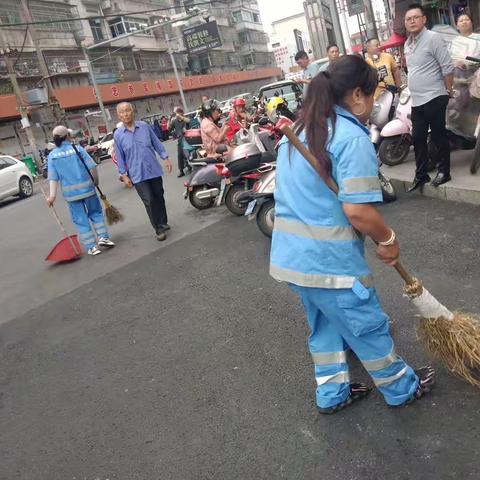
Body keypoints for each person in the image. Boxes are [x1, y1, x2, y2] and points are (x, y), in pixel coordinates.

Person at [270, 55, 435, 414]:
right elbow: (358, 210)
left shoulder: (301, 130)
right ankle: (401, 387)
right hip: (330, 262)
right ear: (358, 94)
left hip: (292, 258)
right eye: (374, 95)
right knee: (366, 326)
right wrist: (388, 240)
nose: (374, 103)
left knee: (327, 327)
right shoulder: (348, 136)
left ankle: (331, 393)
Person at [404, 3, 455, 190]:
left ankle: (444, 171)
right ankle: (421, 175)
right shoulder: (407, 44)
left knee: (438, 136)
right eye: (408, 19)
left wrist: (448, 90)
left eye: (415, 17)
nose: (412, 21)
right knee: (417, 137)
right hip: (417, 100)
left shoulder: (433, 38)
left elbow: (447, 66)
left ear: (424, 19)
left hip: (435, 95)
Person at [47, 126, 114, 256]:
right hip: (88, 190)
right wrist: (96, 181)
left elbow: (53, 178)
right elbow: (92, 167)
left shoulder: (52, 156)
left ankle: (91, 246)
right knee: (95, 213)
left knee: (80, 220)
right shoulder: (77, 149)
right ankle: (103, 237)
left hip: (71, 195)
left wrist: (52, 197)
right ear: (67, 136)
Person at [114, 102, 173, 242]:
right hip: (137, 174)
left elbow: (156, 143)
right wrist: (123, 174)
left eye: (128, 110)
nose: (126, 114)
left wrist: (165, 157)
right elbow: (119, 156)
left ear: (132, 111)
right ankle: (158, 228)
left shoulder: (144, 127)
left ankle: (163, 221)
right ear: (118, 115)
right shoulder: (118, 135)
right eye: (122, 112)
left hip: (153, 169)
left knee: (159, 195)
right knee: (149, 200)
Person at [447, 13, 480, 139]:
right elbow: (450, 59)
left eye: (467, 19)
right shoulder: (454, 42)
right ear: (457, 25)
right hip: (461, 78)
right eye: (461, 20)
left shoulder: (478, 38)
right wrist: (457, 63)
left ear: (471, 22)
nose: (464, 22)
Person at [169, 107, 191, 177]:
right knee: (180, 154)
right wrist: (170, 119)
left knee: (186, 153)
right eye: (176, 113)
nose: (177, 115)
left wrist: (181, 116)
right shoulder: (175, 121)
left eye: (178, 113)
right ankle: (181, 170)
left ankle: (189, 165)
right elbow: (169, 128)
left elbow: (189, 121)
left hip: (186, 138)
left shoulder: (184, 119)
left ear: (181, 113)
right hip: (180, 139)